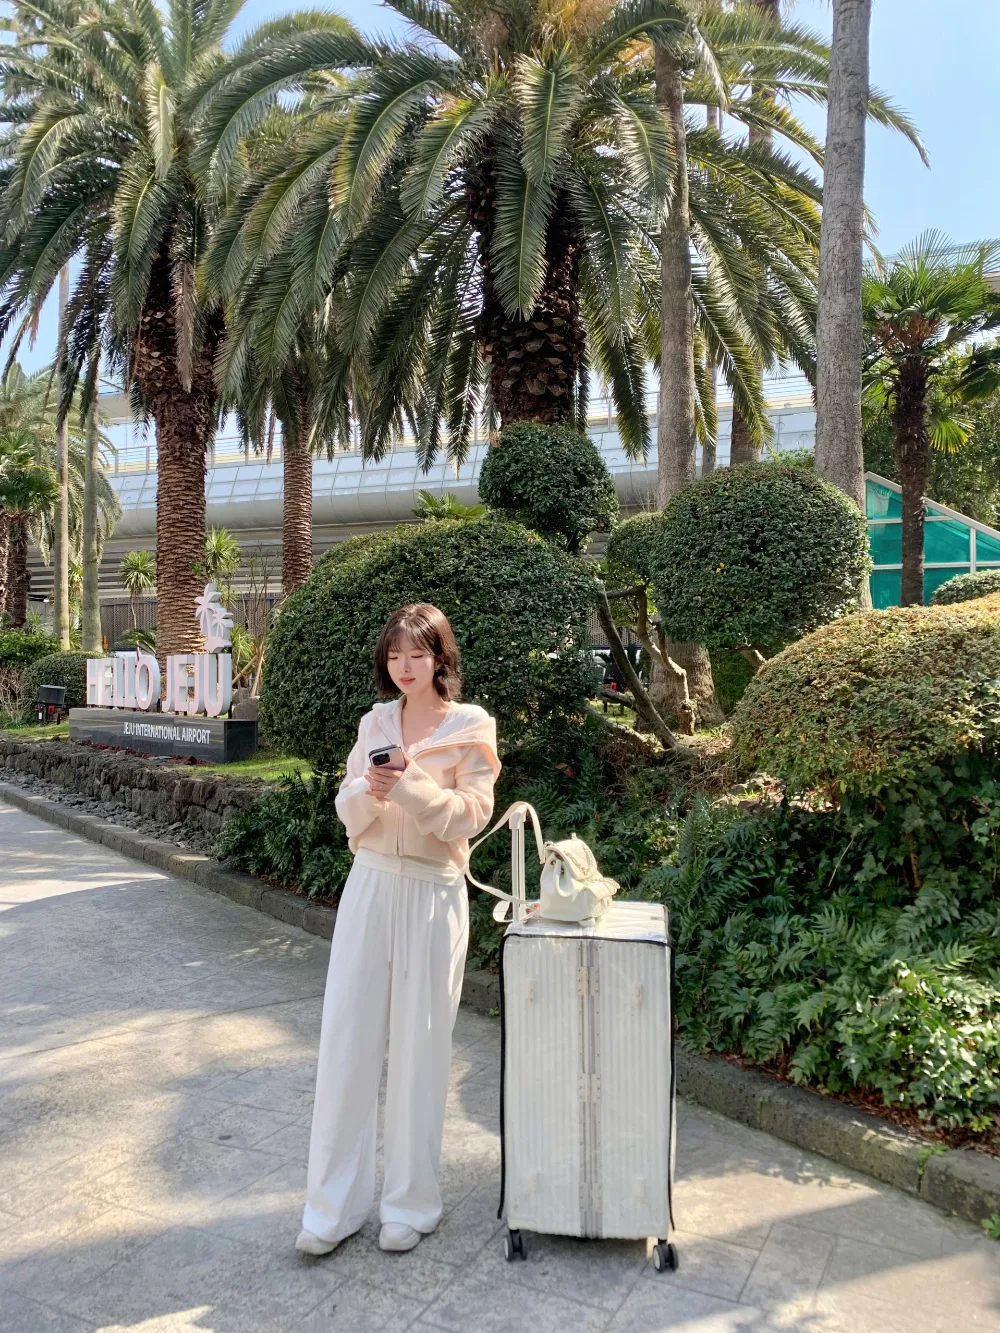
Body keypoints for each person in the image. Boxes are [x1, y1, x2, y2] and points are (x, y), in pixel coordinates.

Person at [297, 603, 501, 1256]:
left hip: (434, 894)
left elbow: (472, 814)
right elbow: (347, 808)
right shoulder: (375, 722)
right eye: (394, 655)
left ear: (441, 657)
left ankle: (411, 1204)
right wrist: (371, 789)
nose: (404, 666)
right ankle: (331, 1208)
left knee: (421, 1048)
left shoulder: (472, 726)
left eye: (417, 653)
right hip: (371, 883)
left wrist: (410, 786)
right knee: (347, 1040)